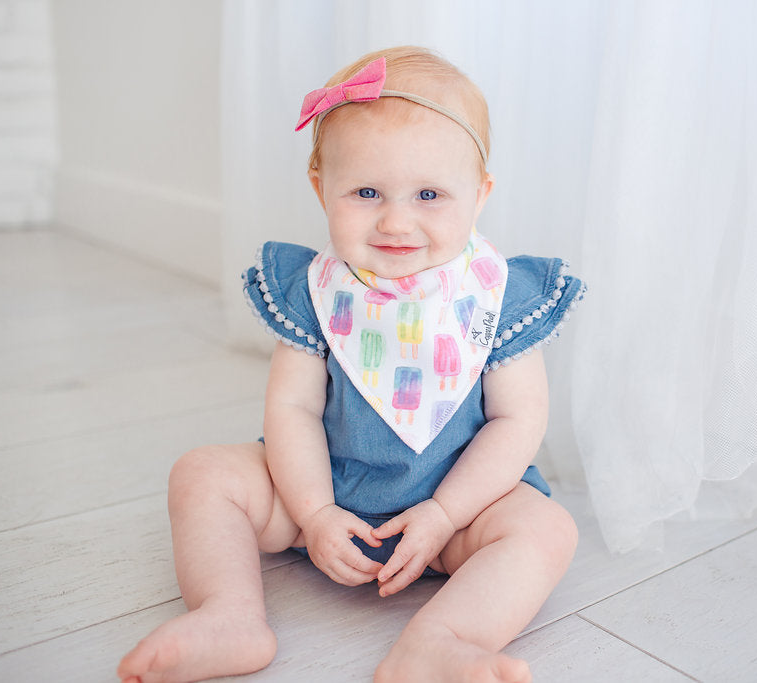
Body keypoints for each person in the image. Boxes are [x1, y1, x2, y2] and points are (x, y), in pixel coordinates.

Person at [118, 45, 586, 683]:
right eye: (366, 192)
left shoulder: (498, 298)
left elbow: (517, 421)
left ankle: (442, 641)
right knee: (201, 474)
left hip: (456, 510)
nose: (396, 220)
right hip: (322, 491)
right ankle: (228, 615)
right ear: (321, 188)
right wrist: (313, 512)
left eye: (429, 194)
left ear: (479, 196)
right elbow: (293, 409)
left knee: (547, 530)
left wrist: (446, 514)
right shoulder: (316, 292)